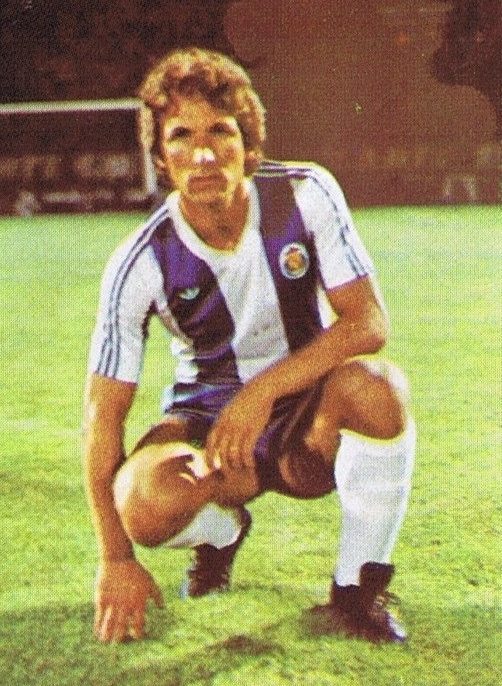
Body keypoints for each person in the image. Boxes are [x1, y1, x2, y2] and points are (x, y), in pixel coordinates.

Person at [83, 47, 416, 645]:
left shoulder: (305, 193)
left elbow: (367, 323)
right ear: (160, 159)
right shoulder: (140, 262)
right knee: (142, 500)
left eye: (220, 131)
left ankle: (358, 585)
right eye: (181, 136)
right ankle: (221, 534)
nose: (204, 154)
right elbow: (102, 417)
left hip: (306, 409)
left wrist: (261, 393)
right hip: (208, 422)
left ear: (251, 147)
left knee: (380, 390)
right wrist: (115, 557)